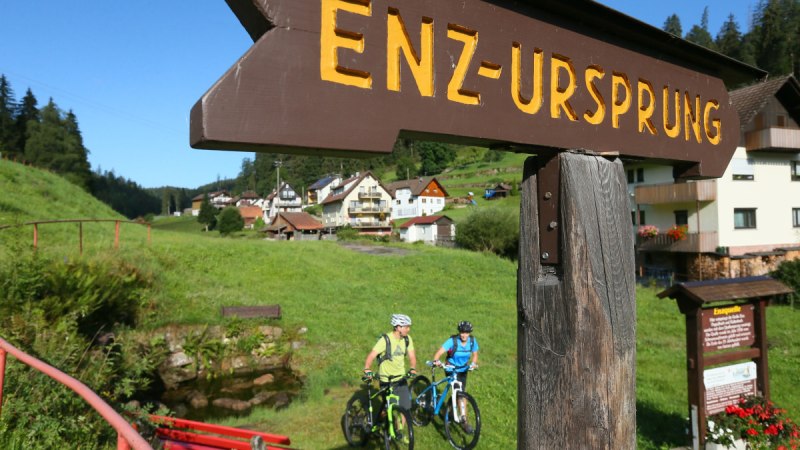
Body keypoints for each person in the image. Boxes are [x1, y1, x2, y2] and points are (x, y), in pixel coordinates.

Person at [363, 313, 418, 414]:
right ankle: (382, 423)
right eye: (406, 327)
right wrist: (367, 369)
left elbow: (412, 357)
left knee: (405, 408)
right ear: (398, 327)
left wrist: (412, 368)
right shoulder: (385, 340)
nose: (408, 329)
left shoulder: (407, 339)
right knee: (389, 409)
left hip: (401, 378)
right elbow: (371, 356)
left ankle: (399, 430)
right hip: (386, 380)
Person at [432, 320, 479, 434]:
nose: (464, 335)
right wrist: (436, 361)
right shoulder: (452, 341)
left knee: (461, 393)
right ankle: (463, 421)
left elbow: (475, 355)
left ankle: (460, 417)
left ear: (469, 333)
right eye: (462, 332)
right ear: (459, 332)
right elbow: (438, 353)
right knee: (458, 392)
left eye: (466, 333)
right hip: (451, 369)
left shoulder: (472, 341)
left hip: (463, 370)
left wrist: (473, 364)